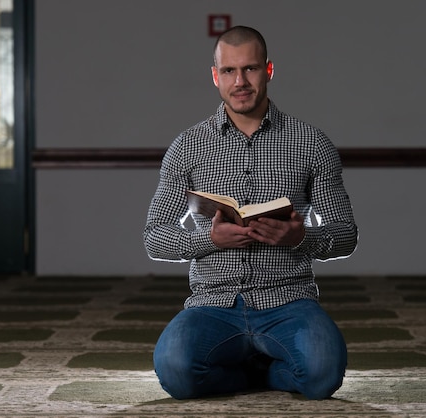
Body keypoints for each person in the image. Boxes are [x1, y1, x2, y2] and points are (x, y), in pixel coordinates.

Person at [144, 25, 358, 400]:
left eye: (251, 69)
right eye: (229, 71)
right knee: (176, 372)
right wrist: (207, 239)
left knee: (323, 374)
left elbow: (345, 234)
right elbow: (154, 238)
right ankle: (253, 373)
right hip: (213, 303)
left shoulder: (311, 143)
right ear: (215, 76)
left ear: (269, 70)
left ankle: (263, 371)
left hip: (288, 300)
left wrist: (300, 237)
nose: (240, 81)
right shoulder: (187, 147)